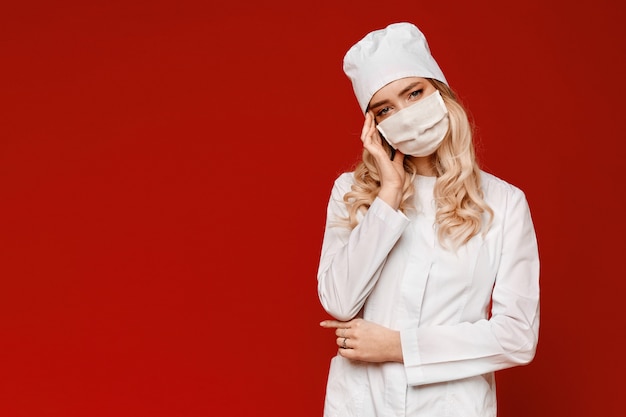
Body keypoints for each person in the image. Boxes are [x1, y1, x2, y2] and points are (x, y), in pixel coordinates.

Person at [317, 22, 540, 417]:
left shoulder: (504, 203)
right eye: (385, 108)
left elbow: (517, 336)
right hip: (359, 403)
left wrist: (398, 346)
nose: (405, 114)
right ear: (374, 126)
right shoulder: (351, 193)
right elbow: (339, 301)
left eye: (414, 93)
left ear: (442, 94)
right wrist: (388, 194)